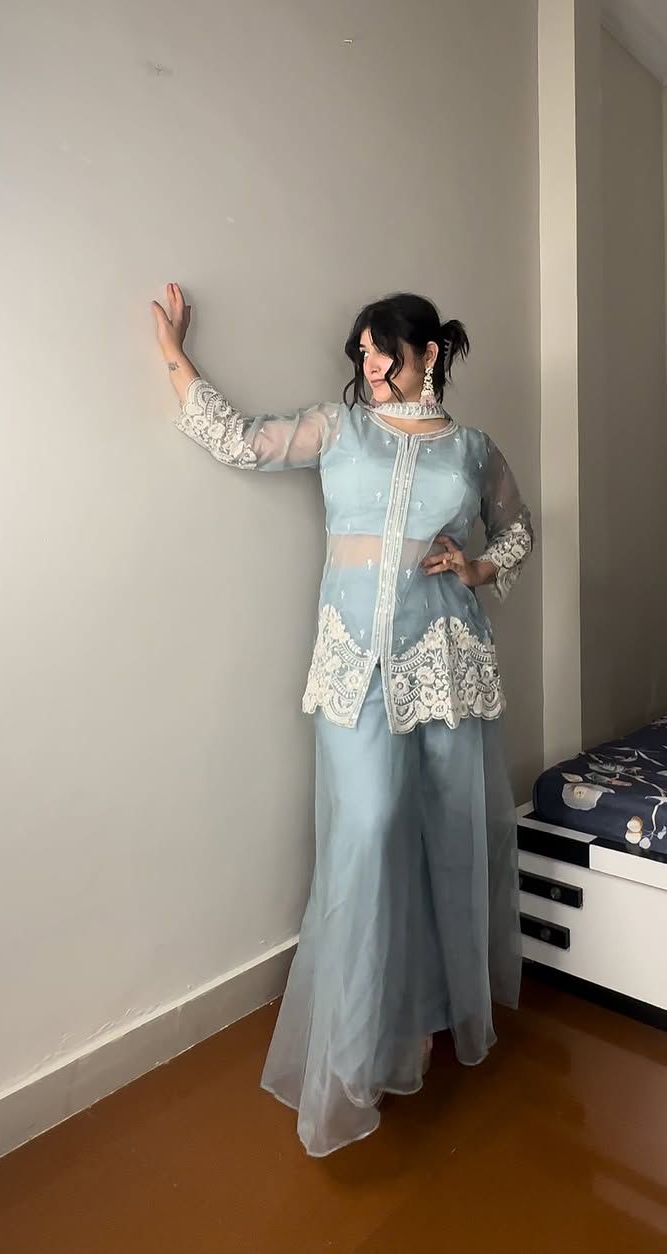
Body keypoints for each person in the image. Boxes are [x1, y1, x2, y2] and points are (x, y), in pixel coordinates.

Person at [151, 284, 534, 1156]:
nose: (368, 365)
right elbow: (242, 440)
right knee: (366, 832)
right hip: (354, 665)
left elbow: (517, 530)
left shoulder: (472, 450)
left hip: (445, 667)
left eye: (381, 349)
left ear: (427, 352)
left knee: (451, 835)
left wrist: (477, 569)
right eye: (359, 352)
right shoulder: (339, 428)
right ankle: (357, 1050)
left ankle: (433, 1014)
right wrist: (174, 351)